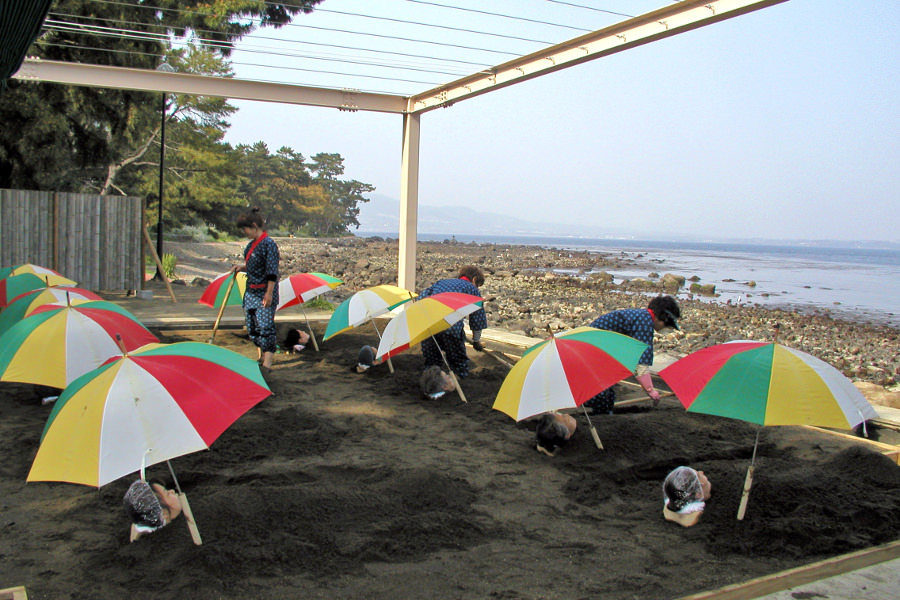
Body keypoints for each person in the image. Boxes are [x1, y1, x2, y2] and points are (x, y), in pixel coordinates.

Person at [583, 295, 681, 414]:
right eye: (667, 325)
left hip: (599, 348)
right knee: (602, 396)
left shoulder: (641, 317)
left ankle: (602, 411)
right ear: (664, 318)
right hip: (593, 348)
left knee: (608, 396)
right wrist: (650, 391)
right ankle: (594, 409)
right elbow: (640, 364)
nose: (666, 328)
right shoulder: (644, 323)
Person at [418, 265, 488, 378]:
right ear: (474, 279)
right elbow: (477, 318)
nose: (477, 288)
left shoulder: (441, 283)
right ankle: (458, 379)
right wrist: (476, 341)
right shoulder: (472, 288)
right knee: (458, 363)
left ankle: (431, 384)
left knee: (432, 363)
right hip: (451, 329)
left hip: (430, 327)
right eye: (478, 285)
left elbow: (421, 298)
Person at [233, 208, 280, 372]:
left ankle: (267, 363)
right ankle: (263, 353)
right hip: (251, 292)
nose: (244, 232)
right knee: (252, 329)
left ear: (254, 226)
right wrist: (242, 267)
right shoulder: (251, 245)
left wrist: (269, 293)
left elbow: (271, 271)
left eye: (245, 229)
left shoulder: (269, 244)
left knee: (266, 327)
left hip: (264, 292)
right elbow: (254, 265)